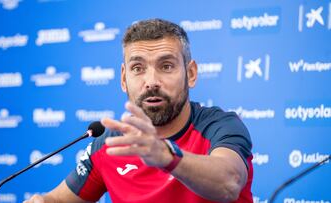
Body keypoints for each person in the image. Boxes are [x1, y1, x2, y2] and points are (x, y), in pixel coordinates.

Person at [24, 18, 253, 203]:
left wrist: (167, 156)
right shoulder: (109, 143)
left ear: (191, 74)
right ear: (124, 79)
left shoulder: (220, 126)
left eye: (166, 66)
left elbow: (229, 183)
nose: (151, 81)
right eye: (138, 68)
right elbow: (60, 200)